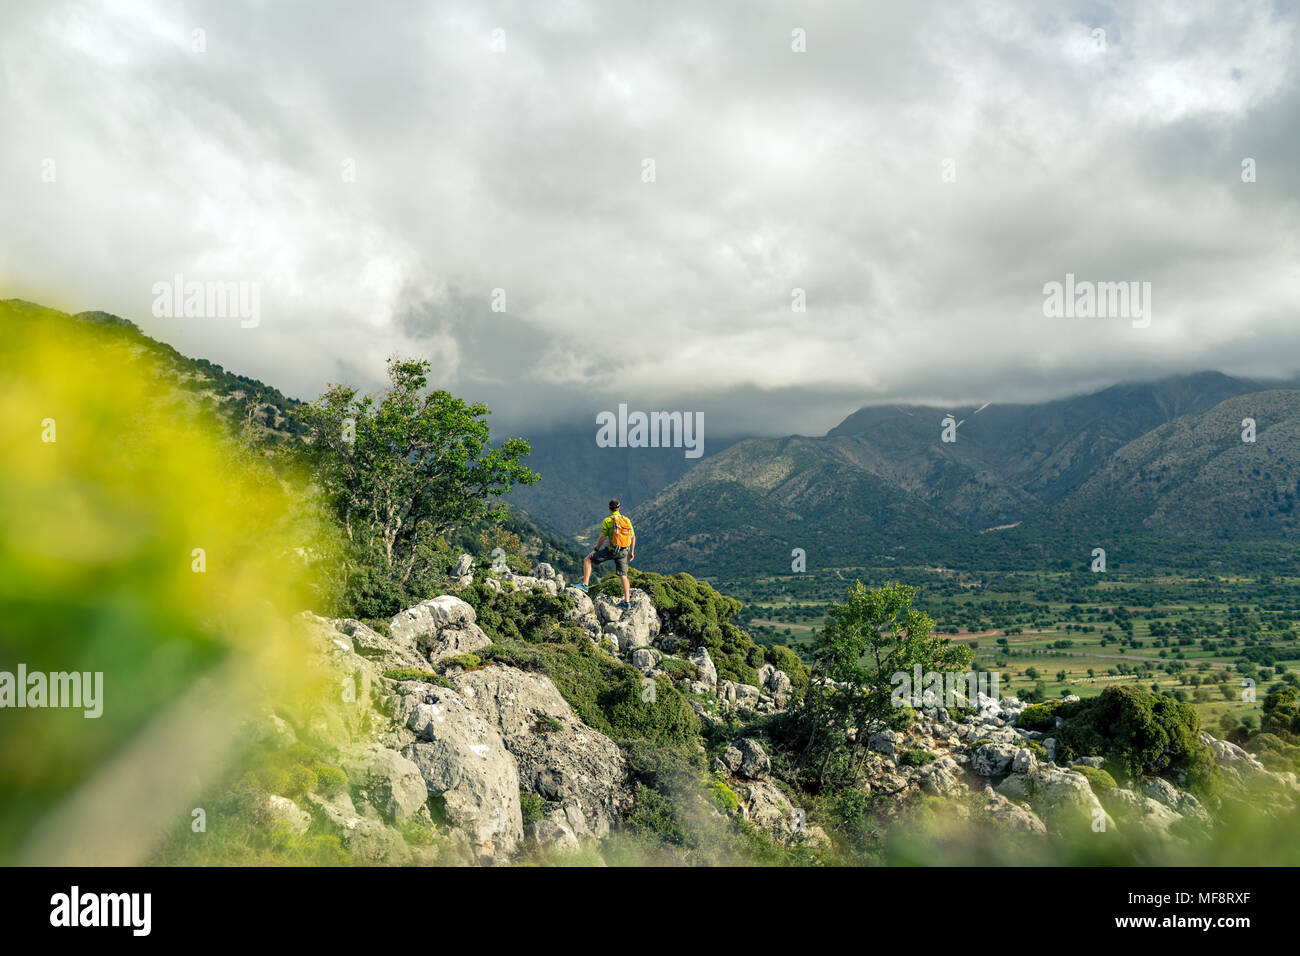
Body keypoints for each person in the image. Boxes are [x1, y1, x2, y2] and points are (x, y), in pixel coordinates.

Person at [575, 499, 635, 609]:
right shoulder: (626, 520)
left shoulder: (608, 520)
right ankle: (627, 602)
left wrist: (596, 550)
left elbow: (602, 538)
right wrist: (631, 552)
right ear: (619, 508)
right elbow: (633, 536)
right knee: (624, 576)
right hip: (623, 551)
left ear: (609, 509)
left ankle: (585, 585)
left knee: (588, 560)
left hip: (611, 550)